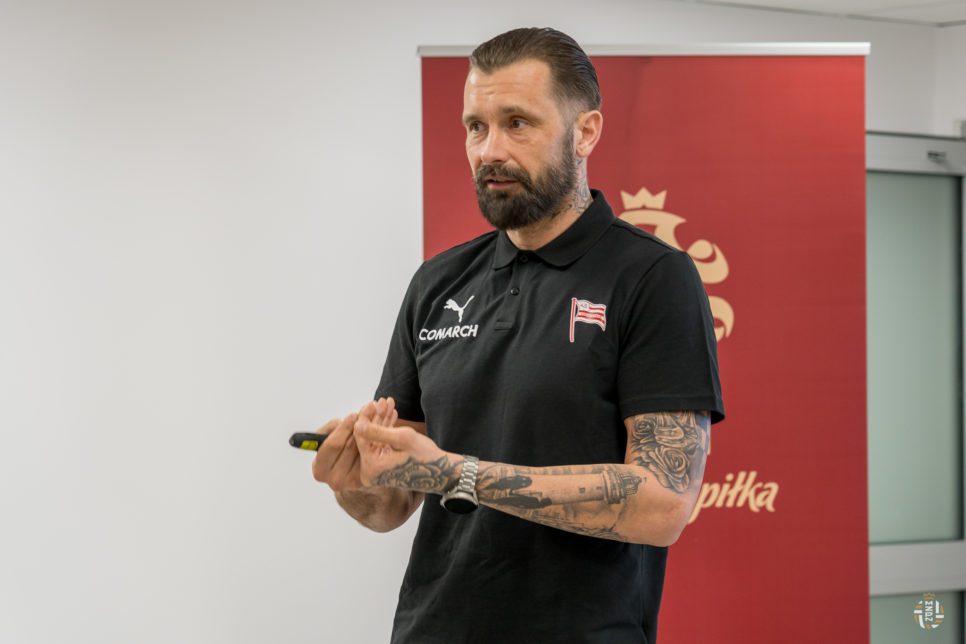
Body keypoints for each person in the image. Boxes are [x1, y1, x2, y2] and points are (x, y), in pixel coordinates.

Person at [311, 27, 725, 644]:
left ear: (585, 132)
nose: (490, 150)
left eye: (517, 124)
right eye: (475, 127)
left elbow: (663, 503)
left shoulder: (652, 277)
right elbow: (390, 506)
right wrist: (352, 480)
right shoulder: (438, 282)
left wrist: (458, 474)